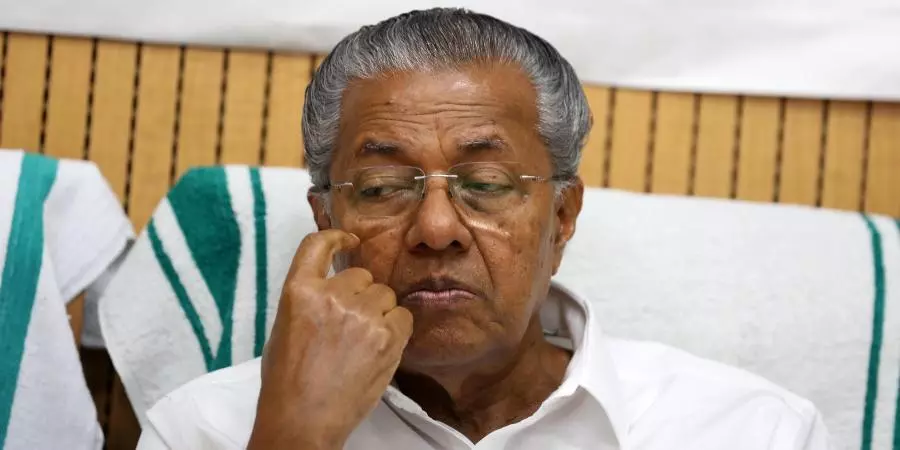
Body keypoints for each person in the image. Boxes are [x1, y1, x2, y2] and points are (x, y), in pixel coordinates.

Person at [137, 8, 830, 449]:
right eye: (381, 188)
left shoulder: (751, 430)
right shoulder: (205, 429)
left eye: (487, 184)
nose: (437, 228)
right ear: (328, 221)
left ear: (562, 217)